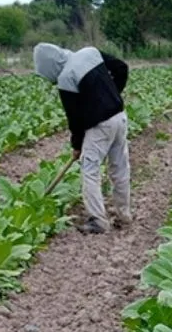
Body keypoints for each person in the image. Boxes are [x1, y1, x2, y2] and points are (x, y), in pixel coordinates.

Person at [33, 43, 131, 235]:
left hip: (100, 126)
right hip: (119, 117)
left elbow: (75, 119)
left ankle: (98, 221)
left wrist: (77, 146)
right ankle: (124, 215)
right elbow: (121, 67)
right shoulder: (90, 52)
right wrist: (112, 95)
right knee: (120, 167)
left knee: (90, 170)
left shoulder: (65, 78)